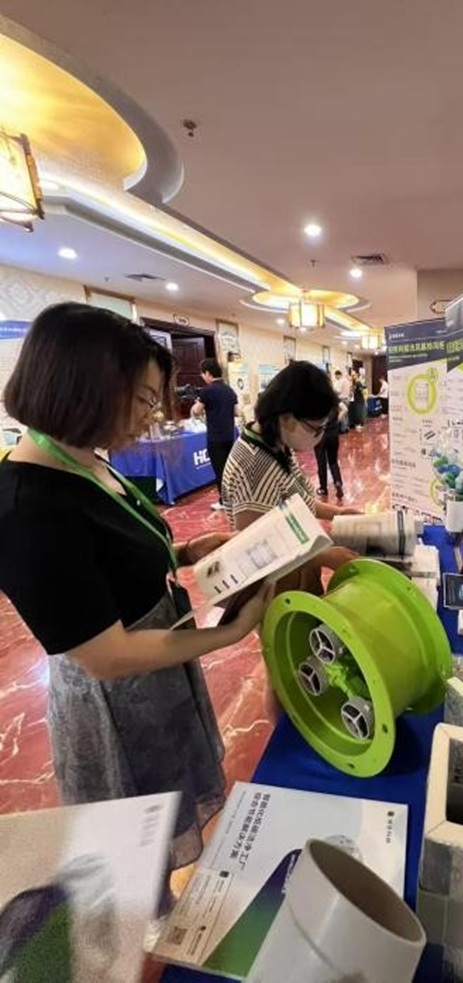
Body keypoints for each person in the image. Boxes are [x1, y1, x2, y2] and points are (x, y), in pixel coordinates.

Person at [0, 303, 272, 876]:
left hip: (158, 676)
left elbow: (109, 556)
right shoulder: (28, 503)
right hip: (117, 703)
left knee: (165, 822)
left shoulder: (87, 461)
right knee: (131, 858)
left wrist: (186, 550)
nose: (152, 415)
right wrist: (230, 634)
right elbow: (107, 656)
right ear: (86, 386)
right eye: (145, 398)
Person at [222, 360, 361, 590]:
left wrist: (338, 514)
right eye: (316, 428)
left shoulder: (277, 443)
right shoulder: (254, 469)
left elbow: (294, 499)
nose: (320, 437)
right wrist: (325, 556)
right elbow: (255, 549)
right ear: (286, 418)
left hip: (299, 570)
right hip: (275, 589)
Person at [191, 357, 238, 511]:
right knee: (229, 469)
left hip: (215, 438)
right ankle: (235, 497)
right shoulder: (230, 390)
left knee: (220, 470)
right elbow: (236, 412)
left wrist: (195, 405)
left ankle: (224, 501)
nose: (202, 377)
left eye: (202, 374)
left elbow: (196, 411)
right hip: (229, 436)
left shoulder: (207, 391)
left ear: (208, 373)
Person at [314, 404, 345, 500]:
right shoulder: (333, 398)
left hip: (319, 435)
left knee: (321, 462)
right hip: (333, 434)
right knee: (333, 460)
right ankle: (337, 481)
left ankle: (323, 488)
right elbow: (345, 409)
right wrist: (336, 422)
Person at [333, 369, 350, 433]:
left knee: (342, 415)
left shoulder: (340, 381)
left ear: (338, 375)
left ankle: (343, 429)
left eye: (335, 376)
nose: (335, 377)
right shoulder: (347, 381)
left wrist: (333, 389)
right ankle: (347, 428)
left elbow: (339, 391)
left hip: (341, 399)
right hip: (347, 398)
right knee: (346, 415)